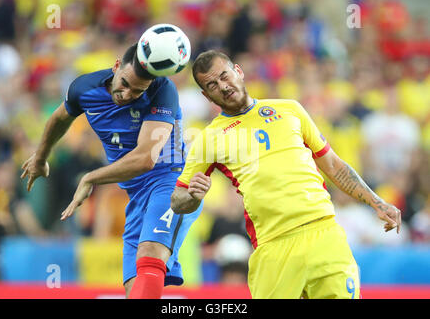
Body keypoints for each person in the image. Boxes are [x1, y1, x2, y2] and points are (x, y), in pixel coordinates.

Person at [170, 50, 402, 299]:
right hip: (273, 246)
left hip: (324, 233)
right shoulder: (209, 139)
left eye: (225, 76)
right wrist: (193, 196)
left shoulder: (290, 110)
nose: (223, 87)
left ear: (238, 71)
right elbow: (177, 200)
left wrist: (376, 202)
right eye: (212, 85)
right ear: (206, 96)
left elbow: (333, 165)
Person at [20, 42, 201, 299]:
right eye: (124, 83)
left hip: (171, 183)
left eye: (137, 92)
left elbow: (145, 160)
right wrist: (40, 156)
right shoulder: (84, 88)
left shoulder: (162, 90)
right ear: (116, 66)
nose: (126, 94)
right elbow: (60, 118)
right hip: (137, 196)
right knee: (134, 290)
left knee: (150, 254)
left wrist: (90, 178)